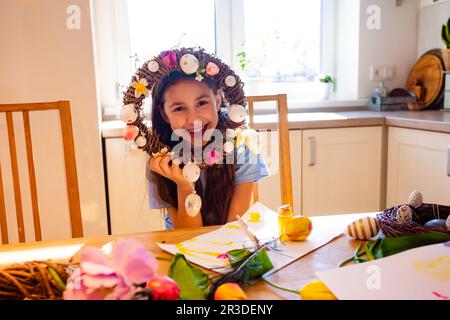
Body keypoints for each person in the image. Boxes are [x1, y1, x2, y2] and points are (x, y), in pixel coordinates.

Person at [123, 47, 270, 229]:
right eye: (179, 108)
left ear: (217, 100)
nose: (194, 120)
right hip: (184, 246)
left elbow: (234, 231)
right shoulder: (161, 156)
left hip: (229, 245)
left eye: (201, 103)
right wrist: (184, 185)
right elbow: (187, 238)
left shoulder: (240, 143)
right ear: (165, 114)